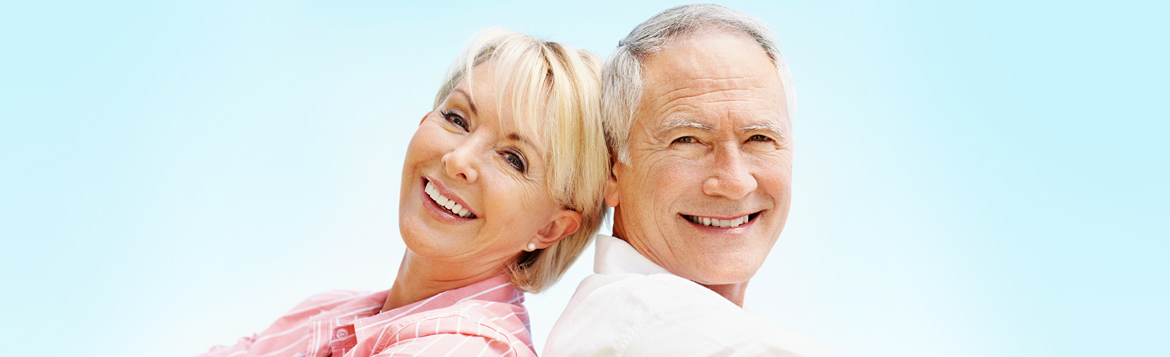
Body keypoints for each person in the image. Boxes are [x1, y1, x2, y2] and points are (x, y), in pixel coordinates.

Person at [198, 28, 607, 357]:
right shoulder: (323, 311)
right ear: (424, 119)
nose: (458, 160)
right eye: (456, 117)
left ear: (552, 228)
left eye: (513, 158)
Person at [545, 4, 830, 356]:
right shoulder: (639, 321)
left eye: (758, 138)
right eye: (687, 140)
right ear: (612, 169)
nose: (735, 182)